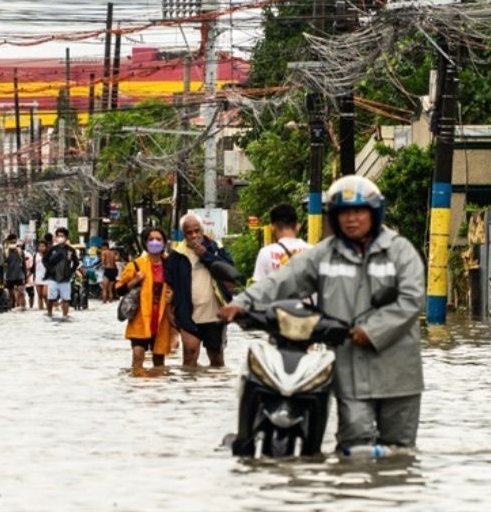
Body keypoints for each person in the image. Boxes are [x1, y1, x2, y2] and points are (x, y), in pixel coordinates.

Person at [220, 175, 425, 450]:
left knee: (400, 452)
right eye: (344, 213)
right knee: (354, 445)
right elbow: (283, 280)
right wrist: (242, 303)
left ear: (374, 213)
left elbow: (411, 300)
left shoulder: (400, 251)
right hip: (348, 370)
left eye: (358, 212)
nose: (351, 219)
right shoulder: (324, 254)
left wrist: (372, 331)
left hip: (399, 374)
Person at [166, 213, 237, 367]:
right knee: (189, 355)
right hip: (187, 314)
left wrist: (205, 254)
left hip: (214, 314)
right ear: (183, 234)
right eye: (189, 232)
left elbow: (229, 272)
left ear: (202, 230)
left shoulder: (216, 248)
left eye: (197, 231)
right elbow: (168, 283)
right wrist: (168, 310)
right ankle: (191, 390)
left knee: (217, 360)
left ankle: (212, 390)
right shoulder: (176, 254)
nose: (194, 235)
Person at [118, 227, 174, 369]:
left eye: (159, 239)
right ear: (145, 243)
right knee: (138, 355)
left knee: (159, 362)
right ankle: (137, 386)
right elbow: (118, 290)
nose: (155, 242)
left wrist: (173, 295)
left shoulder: (171, 265)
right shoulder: (135, 265)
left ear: (164, 243)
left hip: (162, 320)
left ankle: (157, 390)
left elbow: (181, 287)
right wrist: (135, 280)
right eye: (151, 239)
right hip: (140, 319)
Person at [252, 203, 312, 282]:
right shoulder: (313, 251)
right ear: (298, 227)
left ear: (272, 228)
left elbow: (259, 289)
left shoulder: (265, 253)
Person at [43, 227, 81, 319]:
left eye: (62, 236)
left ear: (66, 237)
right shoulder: (52, 249)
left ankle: (65, 315)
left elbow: (76, 263)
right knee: (51, 298)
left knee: (65, 299)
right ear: (56, 237)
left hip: (65, 278)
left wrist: (71, 271)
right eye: (59, 236)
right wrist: (50, 269)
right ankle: (49, 313)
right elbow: (44, 260)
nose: (60, 237)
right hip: (53, 278)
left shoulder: (71, 250)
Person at [3, 234, 27, 311]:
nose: (13, 243)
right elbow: (3, 264)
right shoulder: (6, 252)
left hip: (19, 275)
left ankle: (22, 308)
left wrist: (25, 276)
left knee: (21, 293)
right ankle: (11, 308)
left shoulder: (20, 251)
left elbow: (24, 265)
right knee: (10, 295)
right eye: (11, 242)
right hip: (9, 276)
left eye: (14, 241)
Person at [33, 240, 48, 310]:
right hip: (38, 277)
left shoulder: (49, 255)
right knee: (40, 295)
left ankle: (49, 308)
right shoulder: (35, 255)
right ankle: (40, 309)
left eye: (43, 246)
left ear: (46, 247)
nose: (41, 248)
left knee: (45, 294)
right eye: (40, 246)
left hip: (46, 277)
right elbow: (33, 267)